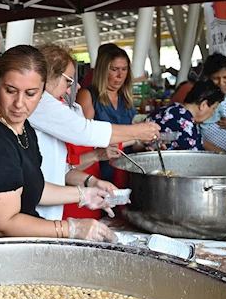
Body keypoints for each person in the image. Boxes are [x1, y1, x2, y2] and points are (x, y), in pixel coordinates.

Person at [0, 45, 119, 241]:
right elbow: (3, 224)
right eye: (10, 91)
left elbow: (34, 188)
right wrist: (71, 229)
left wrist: (84, 194)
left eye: (30, 93)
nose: (19, 103)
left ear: (42, 93)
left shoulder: (22, 127)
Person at [29, 44, 159, 221]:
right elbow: (85, 132)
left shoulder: (55, 105)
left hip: (52, 208)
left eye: (124, 70)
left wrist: (92, 182)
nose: (71, 89)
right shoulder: (41, 103)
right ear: (50, 76)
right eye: (69, 81)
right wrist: (137, 132)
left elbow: (63, 170)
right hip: (39, 213)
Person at [77, 44, 137, 182]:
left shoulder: (126, 100)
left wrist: (147, 142)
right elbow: (83, 140)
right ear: (103, 71)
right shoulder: (88, 95)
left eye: (124, 69)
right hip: (98, 171)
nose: (120, 75)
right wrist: (136, 137)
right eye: (114, 70)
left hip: (125, 170)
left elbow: (134, 143)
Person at [147, 80, 224, 151]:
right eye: (213, 108)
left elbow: (201, 141)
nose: (213, 113)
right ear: (203, 105)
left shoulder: (174, 109)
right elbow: (191, 159)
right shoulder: (186, 125)